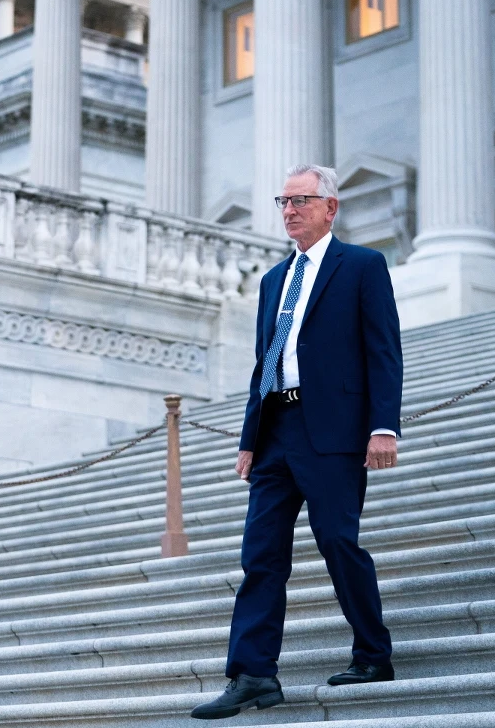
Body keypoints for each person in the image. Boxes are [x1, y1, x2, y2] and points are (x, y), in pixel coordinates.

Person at [190, 164, 403, 720]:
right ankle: (253, 674)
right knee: (260, 557)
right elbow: (265, 362)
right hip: (275, 433)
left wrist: (384, 427)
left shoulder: (361, 266)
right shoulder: (272, 280)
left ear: (331, 208)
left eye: (301, 200)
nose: (289, 210)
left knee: (338, 542)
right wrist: (248, 437)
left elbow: (383, 351)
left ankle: (373, 652)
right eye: (283, 201)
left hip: (333, 431)